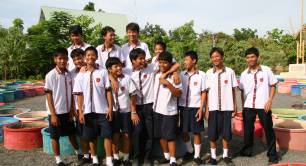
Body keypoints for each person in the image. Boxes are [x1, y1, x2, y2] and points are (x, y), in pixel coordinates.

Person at [73, 46, 113, 166]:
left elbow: (108, 90)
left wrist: (110, 108)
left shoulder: (102, 72)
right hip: (87, 110)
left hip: (102, 110)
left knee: (107, 135)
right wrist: (80, 112)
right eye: (88, 55)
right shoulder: (81, 75)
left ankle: (109, 158)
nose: (90, 57)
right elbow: (79, 94)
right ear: (85, 57)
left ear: (96, 57)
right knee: (91, 136)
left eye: (93, 55)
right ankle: (94, 157)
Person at [239, 47, 279, 164]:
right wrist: (243, 106)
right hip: (248, 106)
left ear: (257, 57)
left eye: (252, 57)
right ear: (246, 59)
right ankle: (247, 150)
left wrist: (270, 100)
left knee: (268, 130)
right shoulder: (243, 74)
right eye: (248, 57)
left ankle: (272, 155)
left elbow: (273, 85)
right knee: (248, 130)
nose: (250, 59)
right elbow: (242, 91)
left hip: (263, 105)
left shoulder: (266, 70)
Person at [44, 48, 81, 166]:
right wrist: (53, 114)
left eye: (65, 58)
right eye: (60, 58)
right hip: (55, 112)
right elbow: (48, 95)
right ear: (55, 59)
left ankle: (78, 152)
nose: (62, 61)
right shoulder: (50, 75)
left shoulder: (69, 74)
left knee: (71, 133)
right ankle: (58, 159)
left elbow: (71, 93)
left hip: (67, 111)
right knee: (55, 136)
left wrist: (71, 110)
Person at [205, 47, 238, 165]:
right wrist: (207, 109)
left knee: (226, 133)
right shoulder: (208, 73)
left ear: (222, 57)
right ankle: (213, 157)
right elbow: (207, 92)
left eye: (217, 56)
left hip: (227, 107)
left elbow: (233, 91)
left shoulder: (230, 72)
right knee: (212, 134)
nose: (215, 59)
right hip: (213, 108)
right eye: (213, 57)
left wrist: (235, 105)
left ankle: (225, 155)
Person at [105, 57, 137, 166]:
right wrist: (110, 77)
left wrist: (133, 112)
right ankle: (115, 157)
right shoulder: (106, 79)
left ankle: (127, 158)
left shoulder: (127, 78)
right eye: (116, 66)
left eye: (120, 65)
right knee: (115, 135)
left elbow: (133, 95)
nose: (119, 68)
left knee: (127, 135)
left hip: (125, 111)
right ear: (109, 69)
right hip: (113, 111)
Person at [153, 51, 183, 166]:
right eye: (160, 62)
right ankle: (166, 156)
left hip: (169, 112)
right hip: (156, 110)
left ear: (170, 64)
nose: (162, 65)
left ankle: (173, 160)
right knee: (160, 135)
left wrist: (168, 84)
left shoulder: (176, 78)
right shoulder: (156, 75)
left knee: (170, 137)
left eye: (165, 63)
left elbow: (178, 94)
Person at [178, 51, 206, 165]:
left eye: (187, 60)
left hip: (195, 107)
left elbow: (204, 92)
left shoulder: (202, 75)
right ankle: (190, 151)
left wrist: (201, 108)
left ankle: (197, 156)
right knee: (183, 131)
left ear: (194, 61)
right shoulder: (181, 74)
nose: (185, 62)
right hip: (183, 107)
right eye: (184, 60)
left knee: (196, 132)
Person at [70, 48, 92, 165]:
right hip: (78, 108)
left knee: (92, 132)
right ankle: (86, 155)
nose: (77, 61)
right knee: (81, 132)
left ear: (84, 57)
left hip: (91, 106)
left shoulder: (92, 69)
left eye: (79, 58)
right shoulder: (72, 73)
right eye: (75, 59)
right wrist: (73, 109)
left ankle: (94, 155)